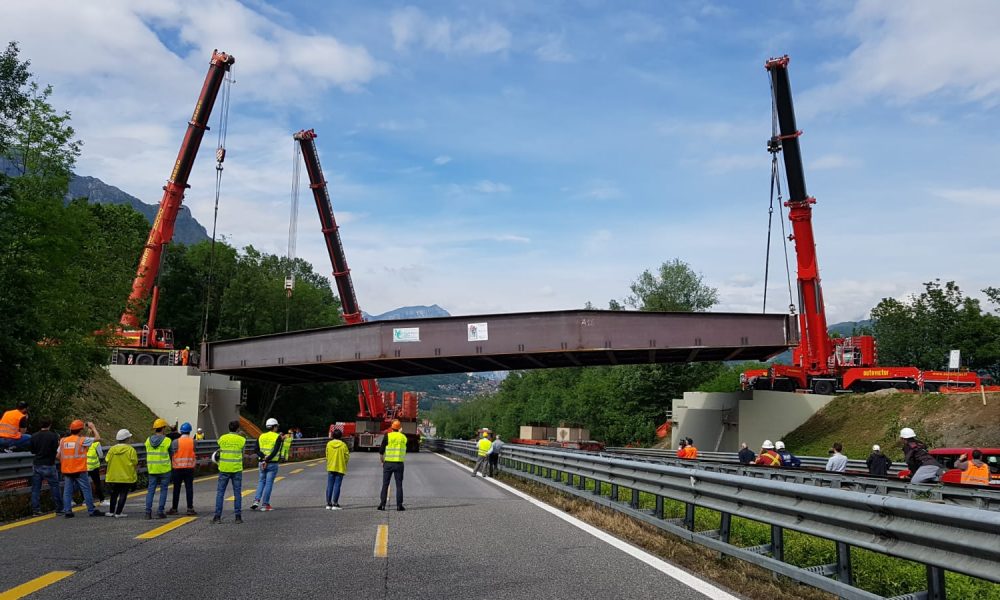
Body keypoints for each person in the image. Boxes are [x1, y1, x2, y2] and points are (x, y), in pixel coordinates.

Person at [59, 419, 104, 517]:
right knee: (86, 489)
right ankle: (91, 510)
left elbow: (58, 456)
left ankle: (68, 511)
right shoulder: (82, 440)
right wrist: (93, 427)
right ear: (80, 430)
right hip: (79, 470)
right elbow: (98, 438)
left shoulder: (63, 441)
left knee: (67, 491)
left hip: (67, 470)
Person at [212, 420, 246, 524]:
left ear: (229, 428)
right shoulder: (242, 440)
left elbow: (219, 450)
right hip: (236, 469)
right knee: (237, 493)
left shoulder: (222, 438)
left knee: (220, 493)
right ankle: (238, 517)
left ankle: (217, 517)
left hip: (224, 468)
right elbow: (243, 454)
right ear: (238, 429)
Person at [29, 417, 64, 516]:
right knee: (55, 487)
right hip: (49, 464)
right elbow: (56, 450)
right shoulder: (53, 436)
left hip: (37, 464)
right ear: (50, 424)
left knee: (36, 488)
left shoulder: (34, 436)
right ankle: (59, 509)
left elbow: (32, 451)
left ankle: (36, 510)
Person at [251, 417, 283, 512]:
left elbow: (256, 449)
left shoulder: (261, 436)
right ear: (274, 427)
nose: (277, 428)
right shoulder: (277, 437)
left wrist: (263, 457)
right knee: (268, 484)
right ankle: (265, 504)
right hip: (271, 463)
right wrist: (267, 459)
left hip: (261, 462)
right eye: (276, 426)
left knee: (261, 481)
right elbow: (275, 451)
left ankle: (256, 501)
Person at [105, 429, 138, 518]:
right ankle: (119, 513)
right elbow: (135, 462)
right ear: (127, 439)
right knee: (123, 494)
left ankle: (111, 512)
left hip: (113, 476)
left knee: (114, 494)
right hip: (126, 476)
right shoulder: (131, 450)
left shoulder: (112, 449)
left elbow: (107, 459)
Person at [144, 418, 173, 519]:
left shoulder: (148, 440)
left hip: (152, 469)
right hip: (164, 469)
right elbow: (171, 453)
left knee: (150, 490)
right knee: (163, 490)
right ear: (163, 428)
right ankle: (160, 511)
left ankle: (148, 512)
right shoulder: (167, 440)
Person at [167, 422, 197, 516]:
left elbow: (172, 453)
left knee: (176, 488)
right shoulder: (193, 441)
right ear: (189, 431)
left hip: (177, 468)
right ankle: (190, 508)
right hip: (189, 467)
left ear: (181, 431)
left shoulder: (175, 442)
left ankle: (174, 508)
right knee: (189, 488)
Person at [378, 420, 407, 511]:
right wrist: (400, 433)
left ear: (391, 427)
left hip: (388, 463)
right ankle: (399, 505)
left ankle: (382, 505)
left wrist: (382, 460)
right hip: (399, 464)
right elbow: (406, 446)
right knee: (399, 485)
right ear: (399, 428)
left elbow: (381, 450)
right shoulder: (403, 437)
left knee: (385, 484)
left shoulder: (388, 436)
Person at [325, 429, 350, 509]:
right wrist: (344, 463)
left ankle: (328, 504)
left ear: (333, 436)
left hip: (331, 466)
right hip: (340, 467)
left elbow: (327, 455)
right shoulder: (343, 445)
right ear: (341, 436)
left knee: (329, 485)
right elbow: (347, 456)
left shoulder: (329, 444)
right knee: (337, 485)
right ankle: (335, 504)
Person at [86, 431, 107, 506]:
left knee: (85, 484)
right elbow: (101, 455)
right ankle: (101, 500)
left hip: (85, 466)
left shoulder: (84, 442)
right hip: (94, 466)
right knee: (97, 483)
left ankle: (85, 501)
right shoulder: (96, 444)